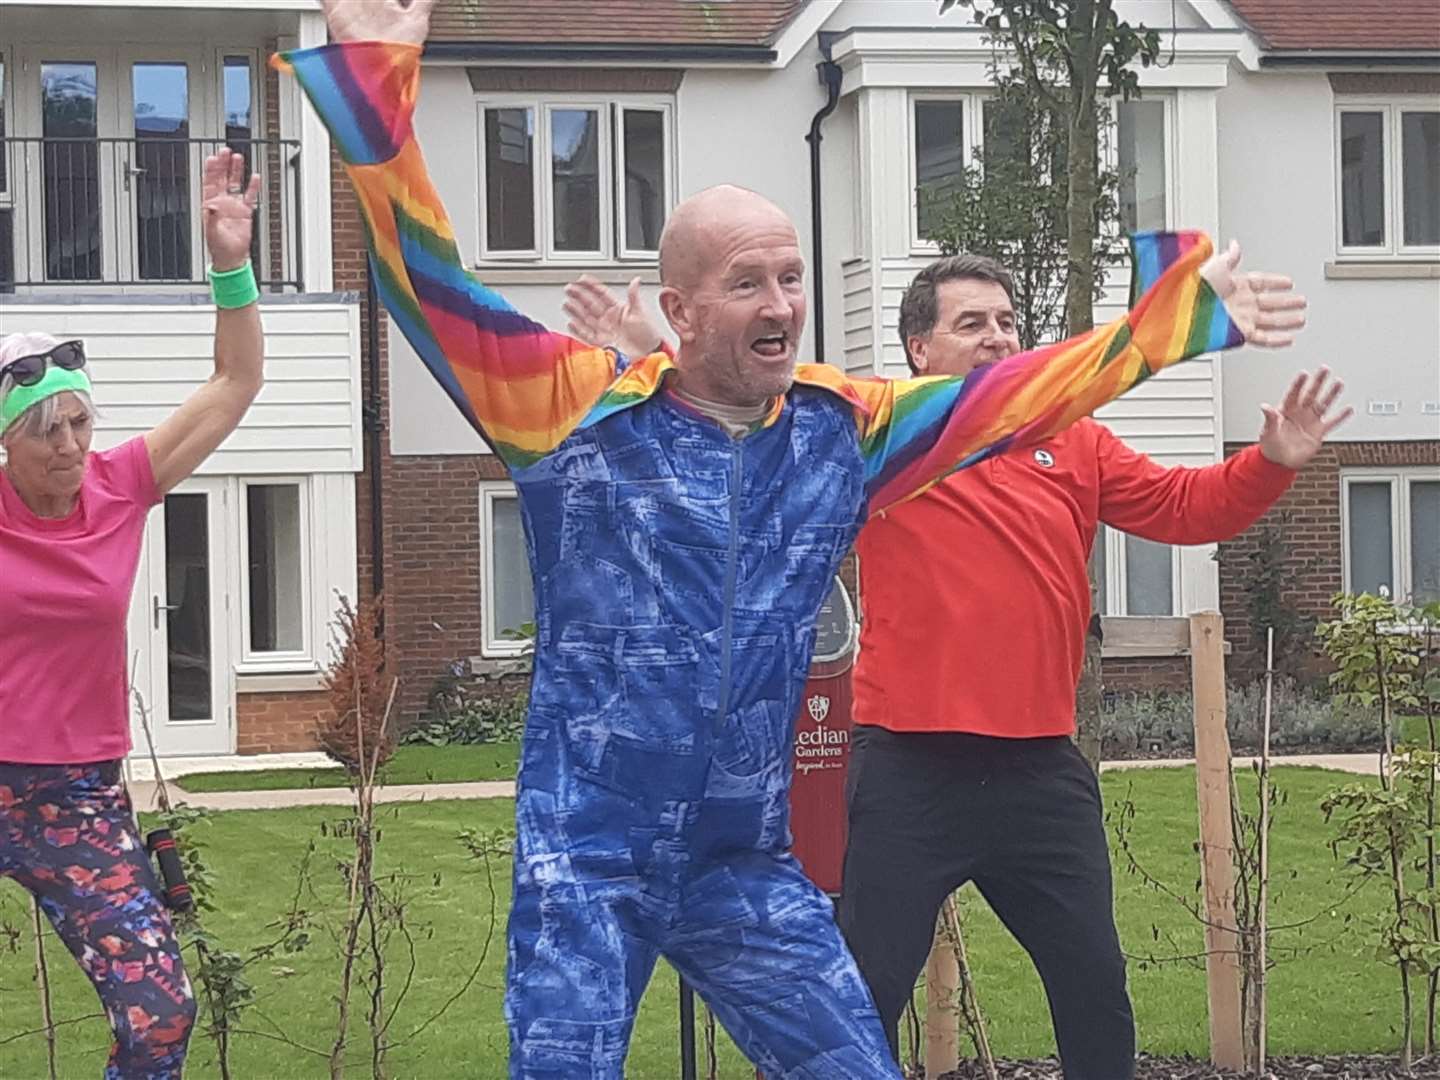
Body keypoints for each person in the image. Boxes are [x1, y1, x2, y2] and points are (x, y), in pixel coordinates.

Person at [285, 2, 1306, 1074]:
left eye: (791, 278)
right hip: (588, 857)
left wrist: (1166, 327)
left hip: (739, 863)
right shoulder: (573, 414)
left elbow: (1005, 401)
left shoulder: (840, 430)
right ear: (679, 308)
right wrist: (374, 98)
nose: (781, 305)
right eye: (747, 284)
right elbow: (433, 290)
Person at [834, 254, 1350, 1079]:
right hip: (910, 768)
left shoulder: (1071, 440)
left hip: (1039, 771)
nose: (998, 338)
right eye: (972, 324)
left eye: (1007, 322)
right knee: (860, 999)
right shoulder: (888, 438)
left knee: (1094, 993)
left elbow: (1187, 507)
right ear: (917, 349)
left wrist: (1274, 460)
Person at [0, 148, 264, 1079]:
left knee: (158, 1015)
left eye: (80, 422)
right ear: (7, 443)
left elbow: (233, 386)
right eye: (46, 432)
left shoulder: (120, 486)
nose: (72, 446)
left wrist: (228, 262)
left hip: (74, 794)